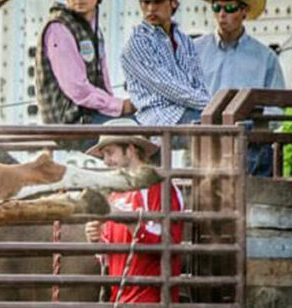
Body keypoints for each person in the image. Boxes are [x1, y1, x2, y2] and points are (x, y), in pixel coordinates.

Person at [84, 135, 184, 308]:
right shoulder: (116, 194)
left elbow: (169, 242)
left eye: (110, 153)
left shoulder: (158, 187)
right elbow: (110, 255)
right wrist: (96, 240)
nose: (106, 161)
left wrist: (129, 222)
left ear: (130, 150)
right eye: (104, 155)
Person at [194, 0, 287, 176]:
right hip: (203, 143)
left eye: (229, 8)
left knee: (253, 201)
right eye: (217, 7)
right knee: (199, 201)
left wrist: (251, 130)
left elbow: (276, 109)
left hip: (251, 150)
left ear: (244, 11)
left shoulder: (266, 58)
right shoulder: (193, 52)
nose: (222, 14)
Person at [35, 0, 136, 129]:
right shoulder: (59, 28)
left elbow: (103, 79)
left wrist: (115, 108)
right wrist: (120, 106)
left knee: (146, 124)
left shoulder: (93, 30)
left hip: (90, 117)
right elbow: (77, 89)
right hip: (69, 123)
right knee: (140, 129)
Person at [121, 0, 211, 129]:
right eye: (145, 3)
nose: (151, 8)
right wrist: (210, 104)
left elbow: (198, 82)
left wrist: (213, 107)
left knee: (235, 125)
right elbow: (168, 87)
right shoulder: (138, 42)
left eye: (157, 2)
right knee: (222, 127)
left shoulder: (184, 40)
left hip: (190, 110)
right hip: (161, 117)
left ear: (173, 3)